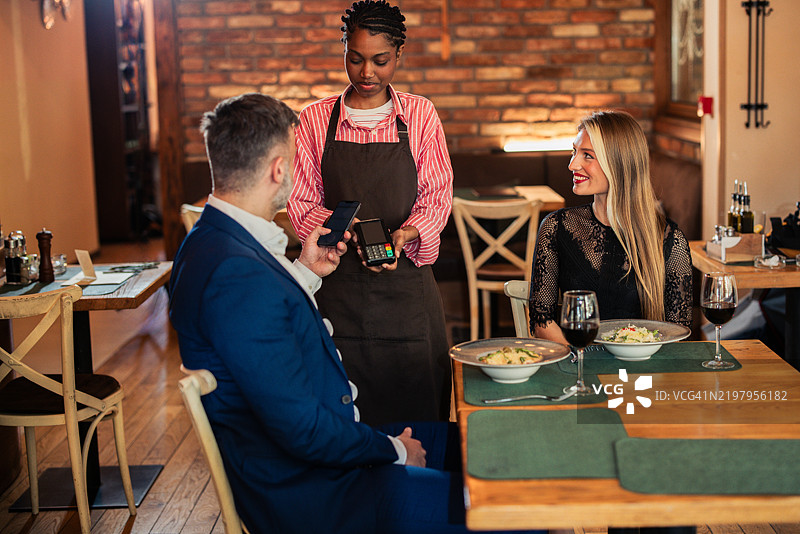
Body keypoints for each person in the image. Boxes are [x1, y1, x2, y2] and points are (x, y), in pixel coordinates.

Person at [169, 93, 539, 534]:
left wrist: (305, 272)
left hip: (329, 454)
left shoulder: (215, 242)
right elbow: (302, 430)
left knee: (496, 448)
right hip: (320, 494)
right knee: (519, 508)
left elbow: (268, 325)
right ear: (278, 169)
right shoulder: (234, 274)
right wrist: (392, 450)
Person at [288, 0, 453, 425]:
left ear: (399, 54)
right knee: (341, 416)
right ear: (344, 49)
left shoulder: (419, 115)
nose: (367, 73)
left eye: (380, 61)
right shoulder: (314, 119)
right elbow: (301, 202)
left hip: (407, 297)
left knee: (419, 415)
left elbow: (437, 196)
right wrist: (338, 228)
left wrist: (408, 233)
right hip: (334, 289)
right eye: (355, 58)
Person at [529, 110, 693, 343]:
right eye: (574, 152)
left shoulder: (670, 240)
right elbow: (541, 321)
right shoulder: (556, 227)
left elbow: (679, 334)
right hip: (578, 367)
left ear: (617, 164)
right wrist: (581, 362)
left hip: (642, 372)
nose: (572, 164)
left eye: (587, 155)